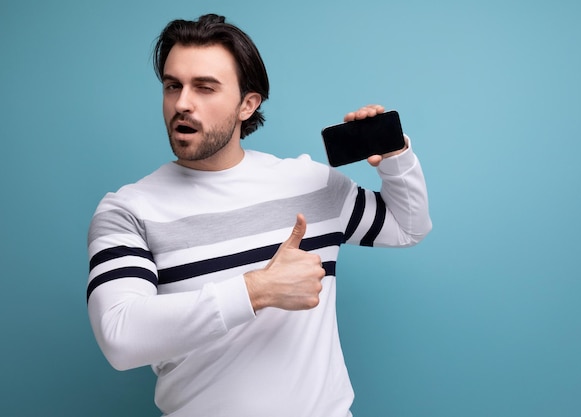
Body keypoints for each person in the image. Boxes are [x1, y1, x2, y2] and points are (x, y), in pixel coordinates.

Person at [87, 13, 431, 417]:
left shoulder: (310, 185)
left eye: (205, 88)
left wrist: (394, 158)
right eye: (172, 86)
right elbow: (120, 337)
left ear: (247, 104)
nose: (182, 103)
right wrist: (257, 290)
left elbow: (408, 227)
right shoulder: (126, 211)